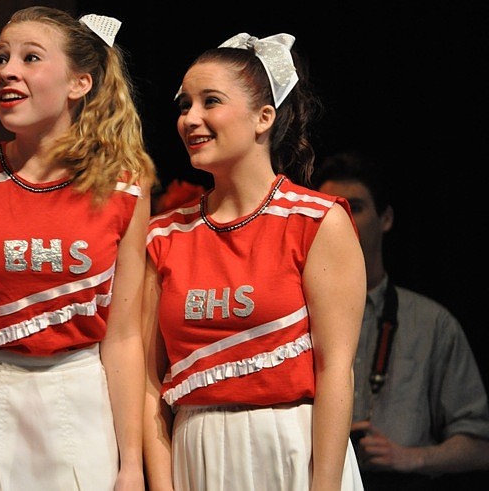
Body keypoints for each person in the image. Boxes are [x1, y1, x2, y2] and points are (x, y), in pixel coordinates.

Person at [0, 5, 156, 490]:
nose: (8, 72)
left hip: (80, 405)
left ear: (79, 83)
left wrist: (131, 464)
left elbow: (123, 337)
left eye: (30, 58)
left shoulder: (125, 187)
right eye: (1, 58)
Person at [143, 33, 366, 491]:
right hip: (196, 451)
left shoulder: (317, 221)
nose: (191, 119)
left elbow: (335, 372)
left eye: (211, 102)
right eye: (184, 105)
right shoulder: (163, 234)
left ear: (264, 118)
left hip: (289, 450)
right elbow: (146, 383)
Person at [313, 151, 489, 490]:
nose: (342, 220)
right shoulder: (294, 317)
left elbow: (481, 445)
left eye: (357, 208)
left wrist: (411, 457)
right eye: (332, 208)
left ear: (387, 218)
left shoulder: (431, 323)